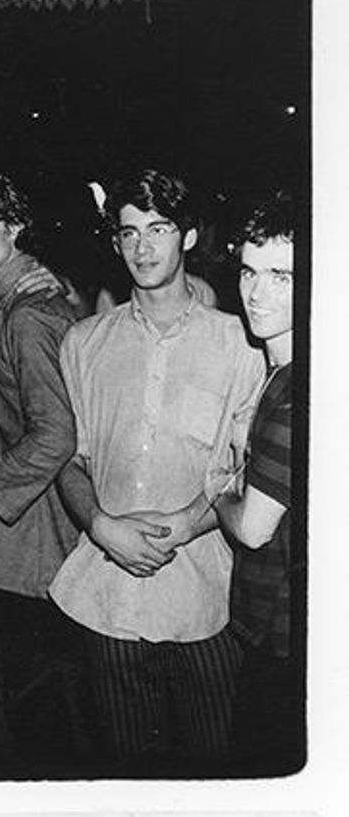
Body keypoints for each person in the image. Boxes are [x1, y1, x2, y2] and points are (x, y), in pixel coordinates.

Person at [50, 168, 264, 773]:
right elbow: (71, 458)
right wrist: (99, 525)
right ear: (115, 242)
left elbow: (249, 469)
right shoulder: (84, 343)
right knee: (126, 770)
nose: (143, 247)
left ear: (188, 237)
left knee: (215, 770)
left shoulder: (241, 345)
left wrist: (186, 525)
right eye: (129, 232)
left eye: (159, 229)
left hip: (206, 599)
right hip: (107, 599)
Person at [0, 172, 82, 771]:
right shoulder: (11, 294)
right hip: (29, 524)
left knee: (37, 702)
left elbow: (56, 432)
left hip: (40, 530)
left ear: (14, 228)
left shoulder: (28, 312)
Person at [213, 191, 301, 773]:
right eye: (248, 271)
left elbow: (251, 529)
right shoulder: (280, 374)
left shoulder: (295, 393)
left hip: (283, 633)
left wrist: (219, 487)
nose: (256, 293)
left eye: (280, 276)